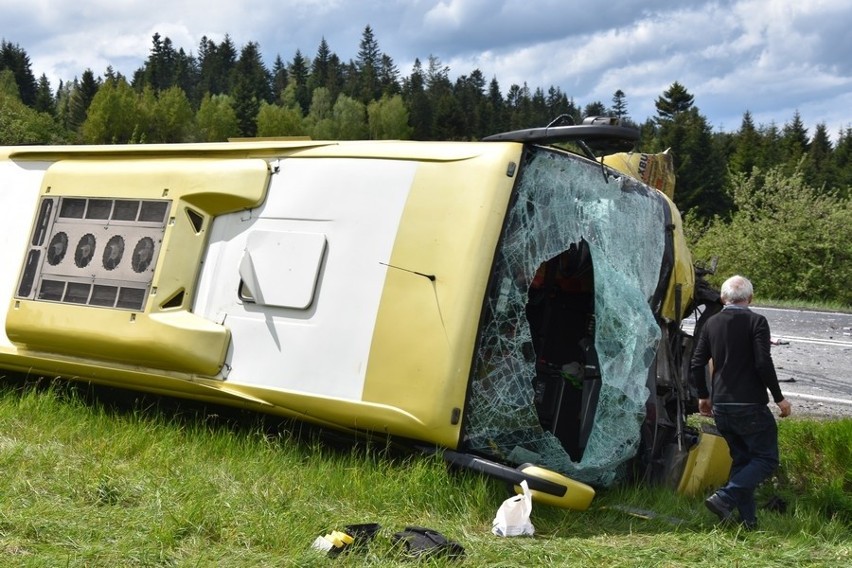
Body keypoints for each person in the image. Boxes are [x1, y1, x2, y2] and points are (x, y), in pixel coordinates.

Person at [689, 275, 792, 530]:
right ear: (751, 298)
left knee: (744, 460)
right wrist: (779, 398)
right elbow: (762, 362)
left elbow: (696, 362)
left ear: (723, 298)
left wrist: (703, 396)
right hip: (750, 405)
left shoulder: (711, 324)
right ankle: (725, 496)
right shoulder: (757, 321)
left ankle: (748, 522)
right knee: (766, 459)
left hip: (722, 406)